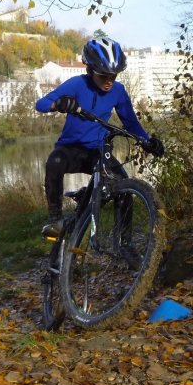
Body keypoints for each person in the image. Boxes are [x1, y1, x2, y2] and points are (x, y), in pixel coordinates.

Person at [35, 36, 165, 238]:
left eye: (113, 76)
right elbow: (41, 104)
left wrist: (147, 142)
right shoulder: (77, 84)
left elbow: (130, 122)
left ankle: (124, 244)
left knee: (124, 186)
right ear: (89, 71)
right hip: (71, 150)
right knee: (54, 162)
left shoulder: (119, 92)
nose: (109, 81)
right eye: (103, 76)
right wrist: (58, 104)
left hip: (98, 151)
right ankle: (55, 219)